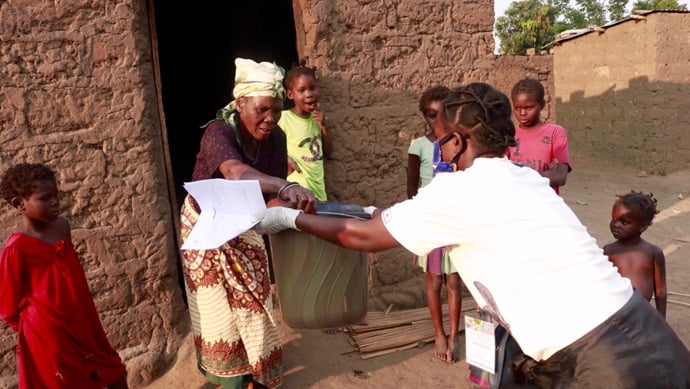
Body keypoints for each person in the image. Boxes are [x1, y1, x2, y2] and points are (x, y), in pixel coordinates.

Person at [255, 84, 690, 387]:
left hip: (604, 363)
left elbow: (364, 238)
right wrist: (370, 210)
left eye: (442, 141)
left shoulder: (463, 189)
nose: (439, 149)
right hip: (646, 333)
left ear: (459, 142)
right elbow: (396, 218)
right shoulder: (522, 177)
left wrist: (289, 221)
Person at [180, 57, 317, 389]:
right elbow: (235, 173)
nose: (270, 118)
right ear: (240, 103)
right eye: (262, 110)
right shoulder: (218, 132)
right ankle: (232, 379)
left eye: (276, 110)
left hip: (245, 223)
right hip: (206, 228)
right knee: (219, 313)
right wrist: (285, 187)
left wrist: (293, 212)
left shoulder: (277, 137)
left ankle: (257, 373)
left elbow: (270, 197)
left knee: (256, 303)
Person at [0, 163, 128, 389]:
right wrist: (41, 327)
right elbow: (8, 307)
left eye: (56, 196)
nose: (54, 202)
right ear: (20, 204)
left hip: (83, 320)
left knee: (113, 372)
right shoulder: (16, 249)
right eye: (45, 198)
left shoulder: (62, 227)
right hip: (49, 333)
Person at [407, 86, 463, 362]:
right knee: (433, 279)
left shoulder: (458, 144)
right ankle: (438, 333)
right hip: (430, 222)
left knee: (453, 280)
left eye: (442, 114)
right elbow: (411, 190)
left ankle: (453, 336)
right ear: (424, 116)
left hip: (453, 220)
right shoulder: (418, 146)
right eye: (431, 115)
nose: (436, 120)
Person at [603, 191, 667, 318]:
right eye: (614, 219)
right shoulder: (609, 251)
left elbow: (660, 291)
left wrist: (661, 320)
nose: (616, 225)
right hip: (616, 312)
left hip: (641, 314)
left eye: (624, 222)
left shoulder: (653, 252)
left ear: (642, 227)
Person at [278, 60, 332, 202]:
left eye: (312, 88)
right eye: (301, 90)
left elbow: (328, 152)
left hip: (319, 189)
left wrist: (324, 126)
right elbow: (267, 146)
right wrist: (285, 158)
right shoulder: (284, 118)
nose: (309, 94)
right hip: (298, 188)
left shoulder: (318, 119)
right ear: (290, 94)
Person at [507, 78, 571, 194]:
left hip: (546, 203)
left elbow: (560, 176)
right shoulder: (509, 135)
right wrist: (545, 175)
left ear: (541, 105)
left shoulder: (555, 133)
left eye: (528, 108)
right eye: (517, 108)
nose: (522, 113)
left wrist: (519, 176)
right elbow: (503, 175)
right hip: (517, 202)